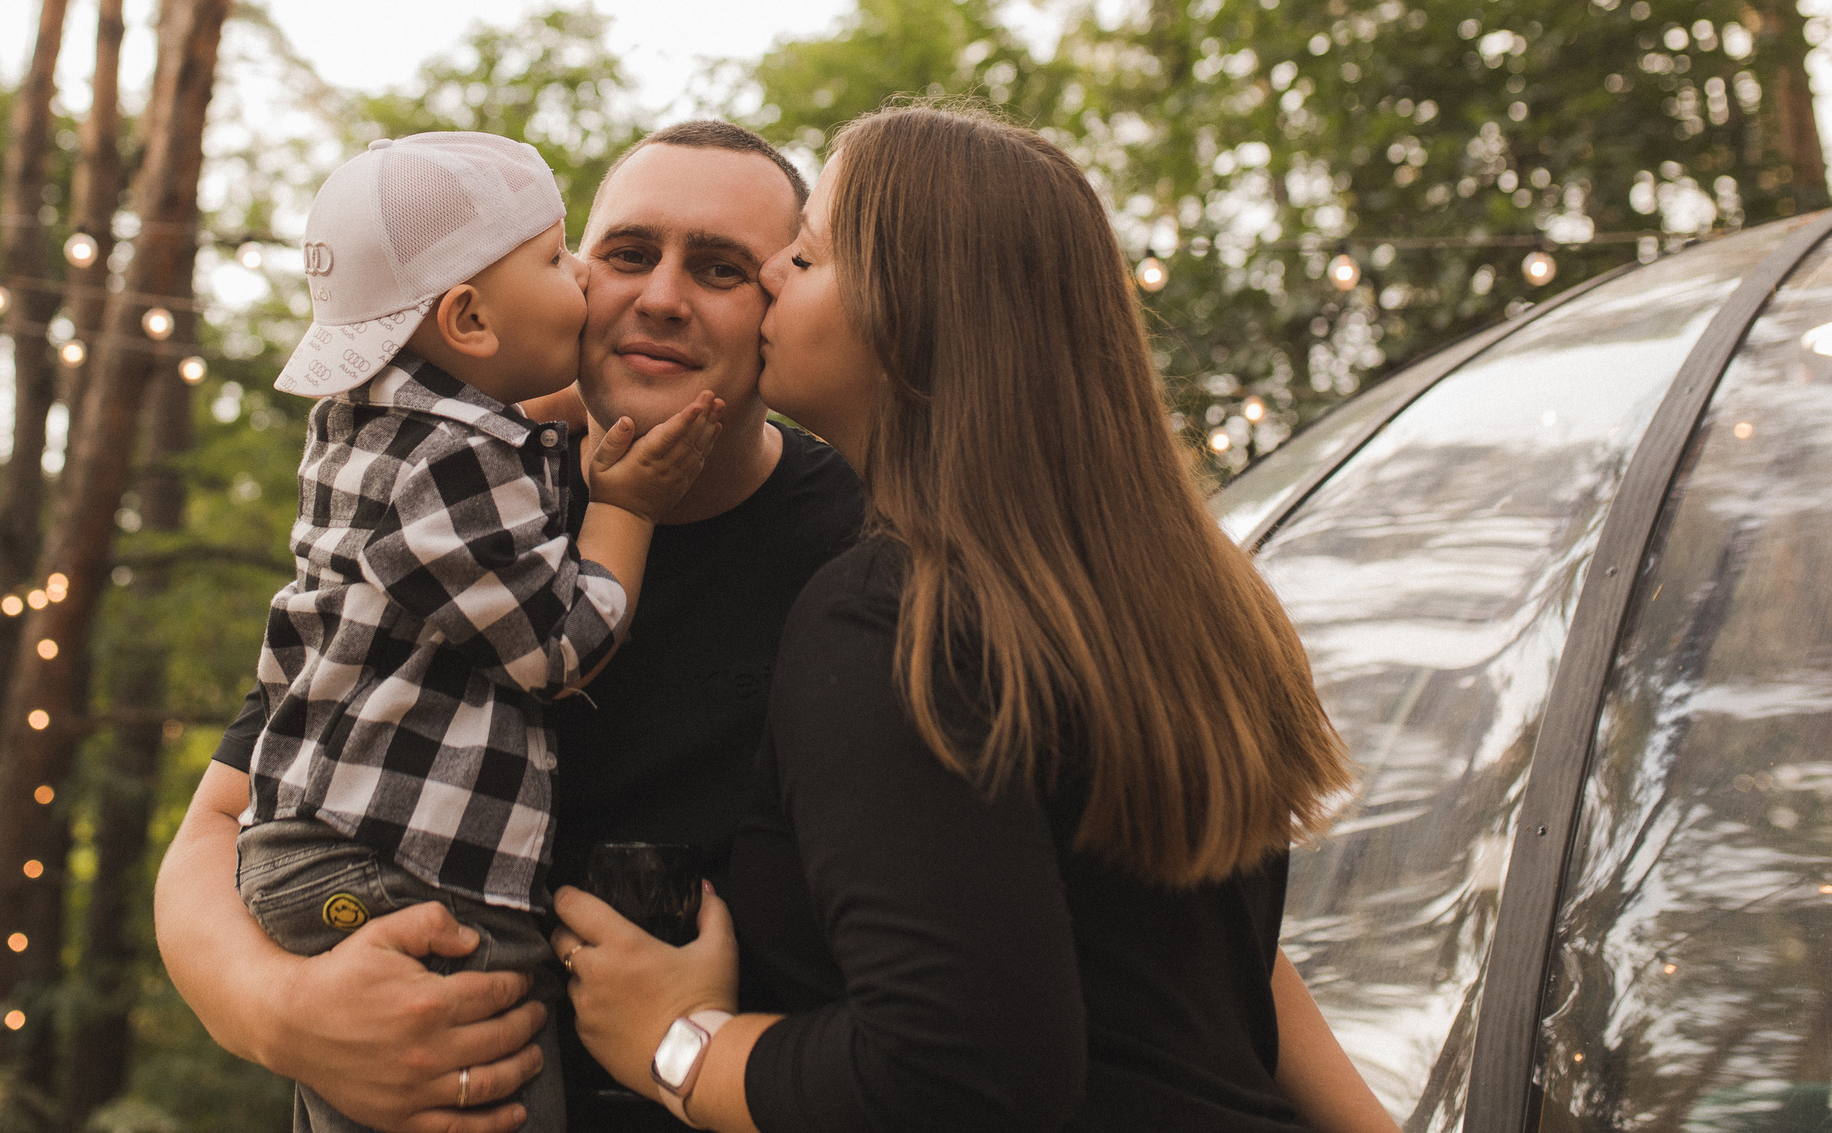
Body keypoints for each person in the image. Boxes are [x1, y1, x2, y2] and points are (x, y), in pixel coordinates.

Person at [550, 104, 1400, 1133]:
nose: (766, 279)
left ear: (909, 315)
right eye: (628, 254)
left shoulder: (892, 610)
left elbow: (955, 1076)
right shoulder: (1151, 587)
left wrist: (678, 1044)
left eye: (796, 260)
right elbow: (1177, 960)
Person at [157, 121, 868, 1132]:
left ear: (778, 303)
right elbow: (219, 822)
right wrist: (286, 1017)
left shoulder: (863, 536)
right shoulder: (470, 486)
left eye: (718, 268)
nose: (660, 296)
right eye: (626, 255)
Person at [243, 130, 726, 1133]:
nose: (587, 277)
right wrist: (626, 505)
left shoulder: (375, 427)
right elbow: (557, 650)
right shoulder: (447, 469)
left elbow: (505, 463)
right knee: (494, 1096)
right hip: (409, 877)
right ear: (467, 318)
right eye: (558, 259)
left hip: (325, 857)